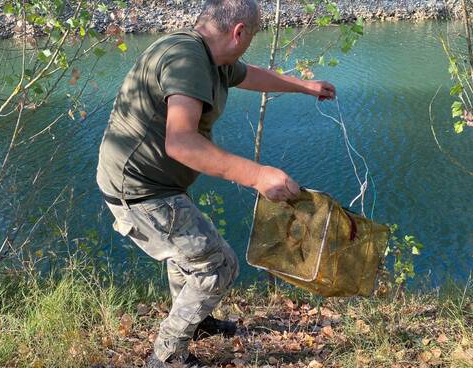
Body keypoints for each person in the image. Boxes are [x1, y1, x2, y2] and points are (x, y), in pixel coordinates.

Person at [96, 0, 336, 366]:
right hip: (138, 190)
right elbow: (181, 142)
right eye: (250, 37)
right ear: (239, 32)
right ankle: (167, 357)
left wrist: (304, 85)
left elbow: (251, 74)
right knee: (217, 265)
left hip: (153, 183)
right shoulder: (187, 60)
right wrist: (257, 175)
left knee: (189, 253)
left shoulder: (209, 55)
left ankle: (199, 323)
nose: (248, 45)